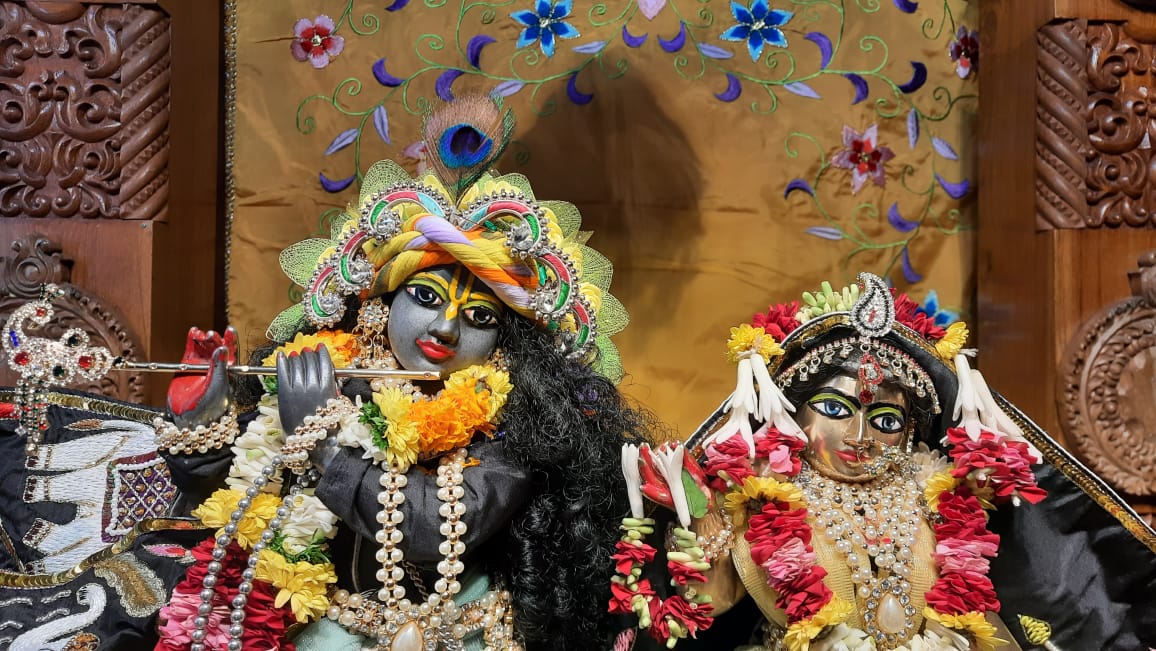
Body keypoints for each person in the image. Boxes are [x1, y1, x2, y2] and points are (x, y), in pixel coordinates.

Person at [141, 94, 654, 650]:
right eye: (426, 296)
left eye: (479, 317)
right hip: (328, 633)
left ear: (506, 341)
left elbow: (437, 526)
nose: (445, 328)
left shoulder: (517, 421)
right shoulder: (334, 379)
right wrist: (203, 420)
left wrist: (322, 443)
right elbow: (226, 496)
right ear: (381, 304)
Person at [611, 273, 1156, 651]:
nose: (860, 437)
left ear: (913, 429)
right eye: (835, 409)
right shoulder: (759, 494)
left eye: (886, 420)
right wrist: (696, 522)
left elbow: (1002, 602)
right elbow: (702, 606)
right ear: (790, 413)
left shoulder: (941, 491)